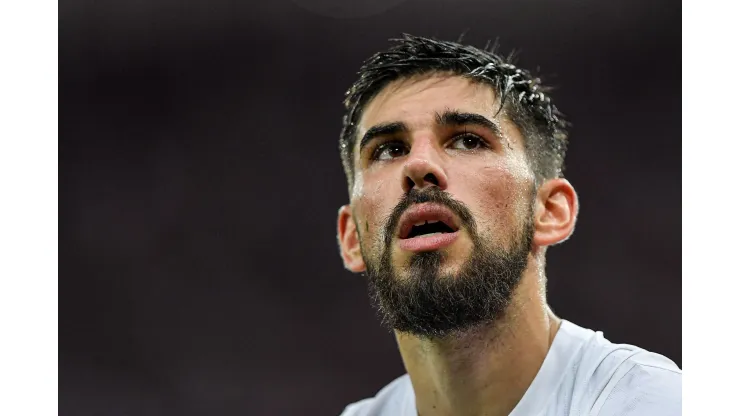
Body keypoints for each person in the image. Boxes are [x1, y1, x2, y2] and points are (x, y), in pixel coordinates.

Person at [334, 34, 681, 416]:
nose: (418, 165)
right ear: (352, 238)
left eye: (467, 141)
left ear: (549, 210)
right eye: (389, 149)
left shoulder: (650, 401)